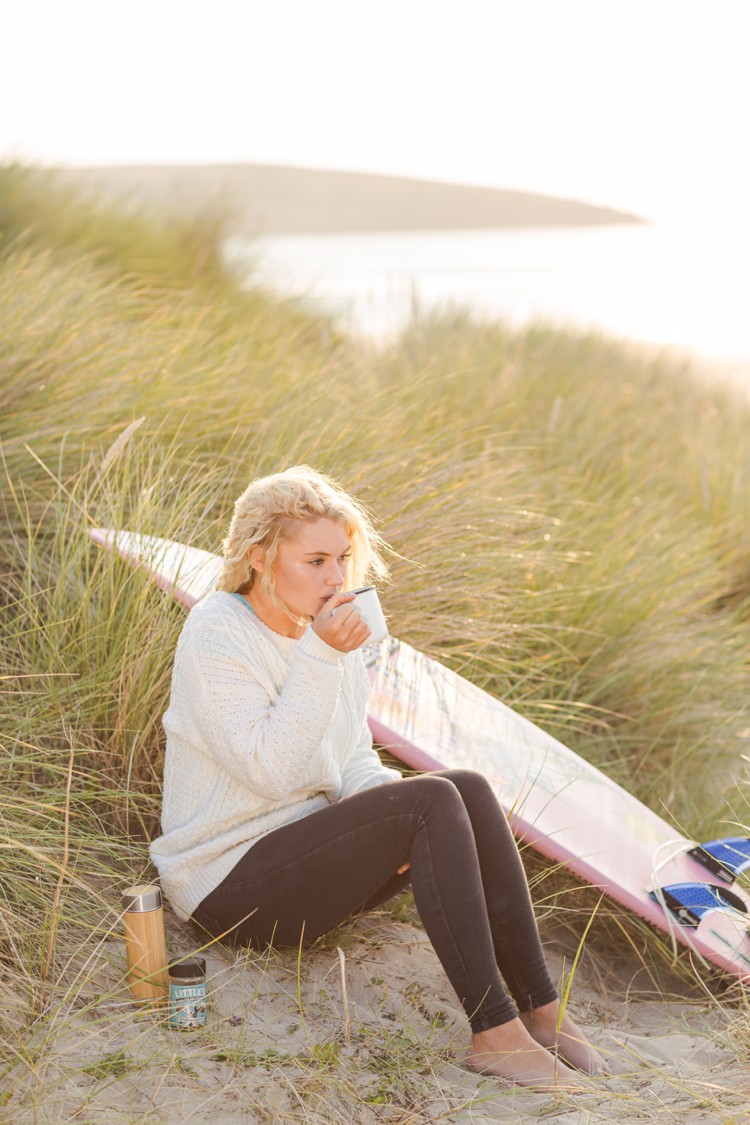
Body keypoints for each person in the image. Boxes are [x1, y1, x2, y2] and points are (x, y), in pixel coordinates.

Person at [151, 465, 606, 1090]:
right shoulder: (218, 631)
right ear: (259, 558)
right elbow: (269, 769)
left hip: (304, 862)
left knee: (463, 788)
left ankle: (542, 1010)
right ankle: (495, 1035)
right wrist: (323, 654)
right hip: (228, 888)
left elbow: (354, 759)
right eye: (314, 560)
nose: (336, 578)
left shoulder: (330, 631)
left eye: (341, 559)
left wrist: (389, 827)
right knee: (426, 803)